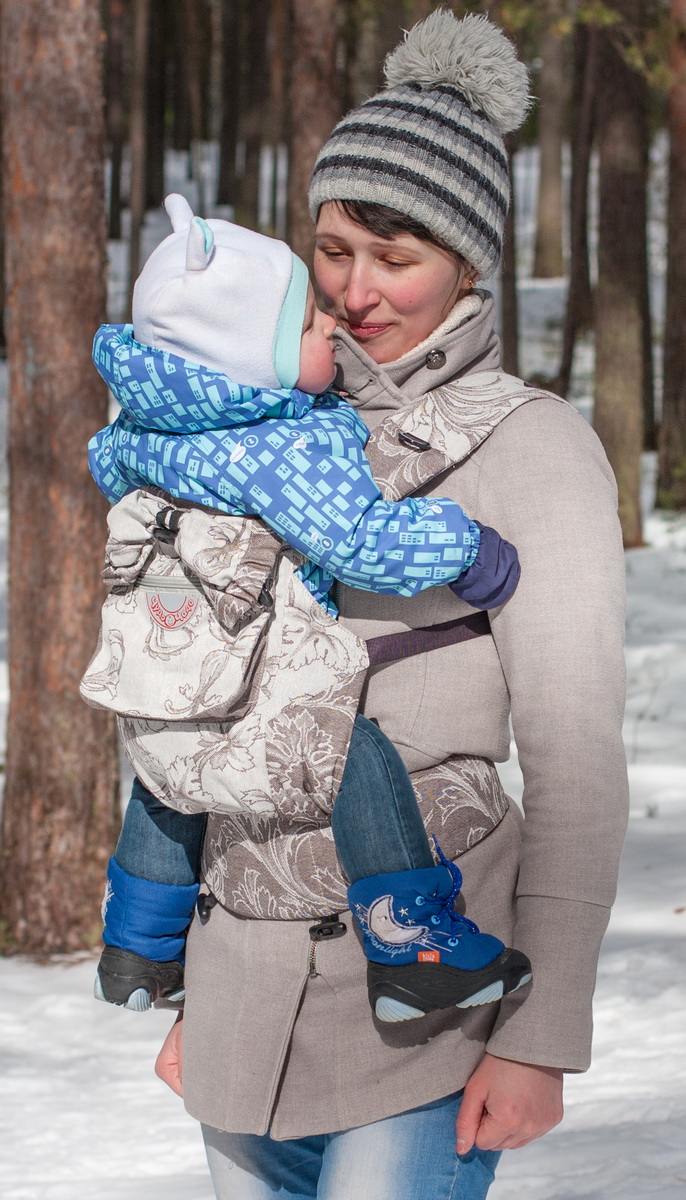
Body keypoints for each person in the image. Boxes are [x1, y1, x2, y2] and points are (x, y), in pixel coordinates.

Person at [150, 10, 628, 1199]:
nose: (357, 291)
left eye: (397, 256)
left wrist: (538, 1037)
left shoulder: (532, 449)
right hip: (242, 1003)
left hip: (423, 1019)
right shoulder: (245, 437)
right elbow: (190, 705)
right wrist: (187, 985)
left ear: (469, 263)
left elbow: (575, 766)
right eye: (332, 248)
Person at [87, 194, 529, 1020]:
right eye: (304, 326)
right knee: (352, 754)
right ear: (249, 365)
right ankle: (411, 941)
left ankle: (138, 947)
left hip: (160, 660)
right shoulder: (279, 450)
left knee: (174, 768)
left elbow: (107, 468)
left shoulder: (145, 427)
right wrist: (467, 548)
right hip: (261, 657)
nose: (331, 325)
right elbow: (360, 541)